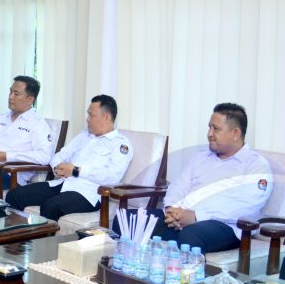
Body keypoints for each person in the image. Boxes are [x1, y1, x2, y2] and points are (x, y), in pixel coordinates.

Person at [113, 103, 272, 253]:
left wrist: (196, 216)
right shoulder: (201, 157)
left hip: (224, 226)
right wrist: (170, 209)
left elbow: (245, 207)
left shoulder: (256, 166)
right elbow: (179, 186)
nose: (209, 134)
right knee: (124, 220)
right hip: (179, 219)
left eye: (216, 129)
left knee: (190, 236)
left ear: (235, 133)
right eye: (209, 127)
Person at [6, 95, 133, 221]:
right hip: (63, 183)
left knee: (51, 207)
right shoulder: (84, 136)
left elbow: (112, 176)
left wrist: (75, 170)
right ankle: (17, 234)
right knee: (14, 195)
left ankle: (39, 235)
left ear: (106, 117)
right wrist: (58, 168)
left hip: (88, 193)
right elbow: (60, 155)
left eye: (91, 115)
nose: (87, 119)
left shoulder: (120, 144)